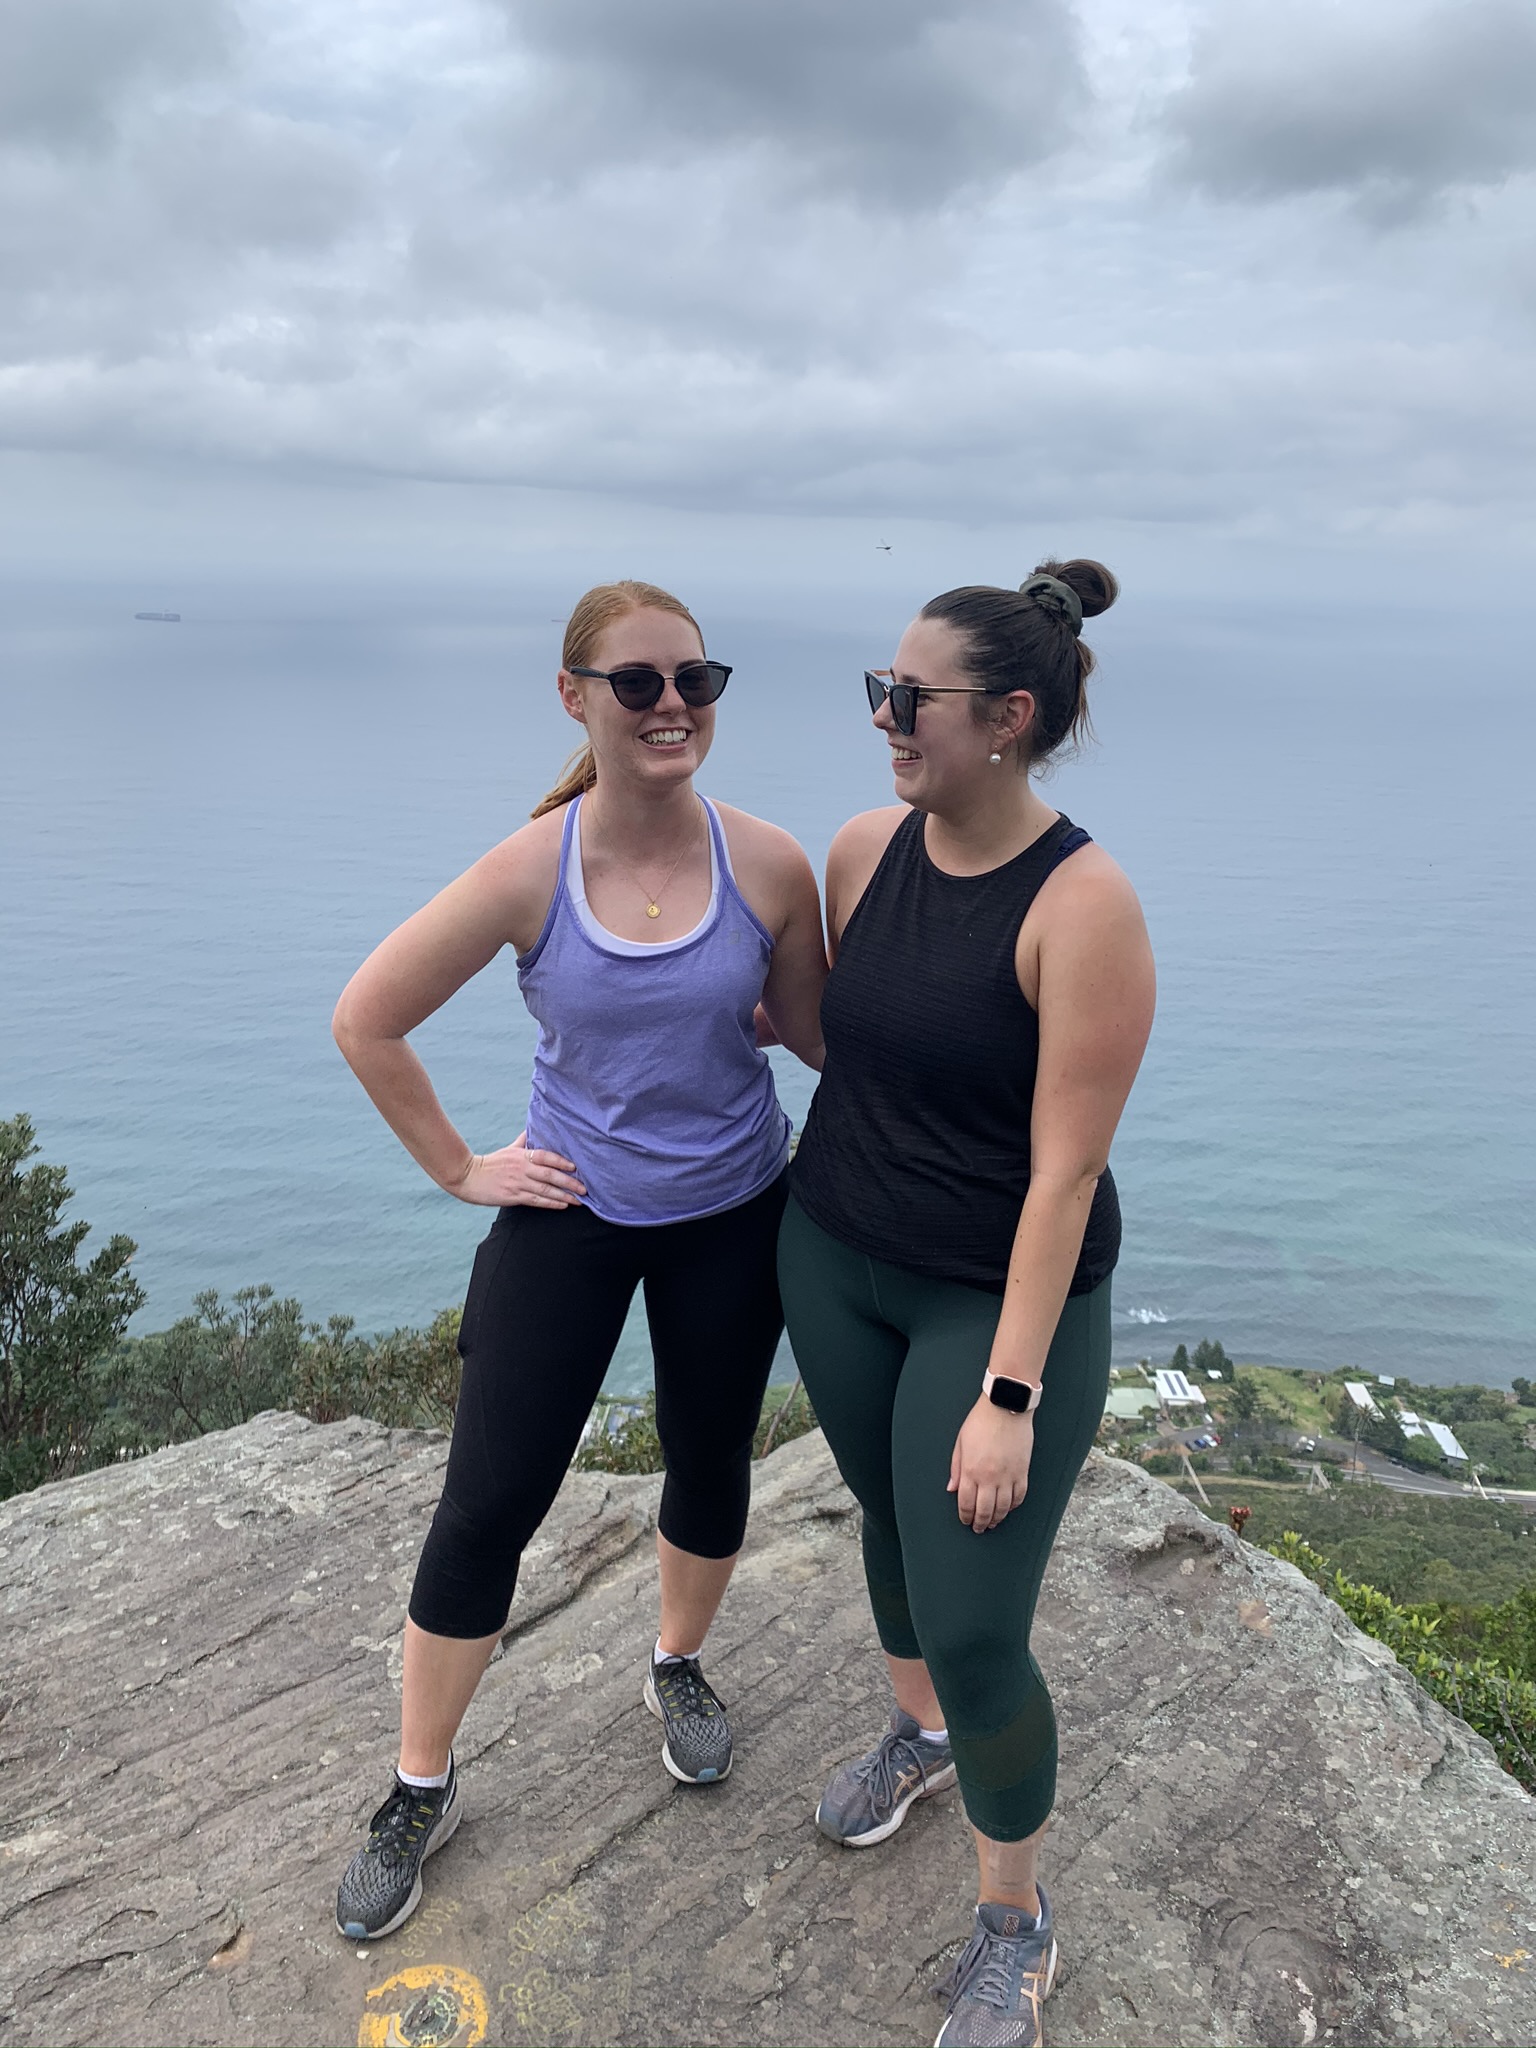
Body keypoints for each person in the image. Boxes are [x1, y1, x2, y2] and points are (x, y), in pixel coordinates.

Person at [331, 579, 826, 1942]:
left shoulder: (770, 863)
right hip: (572, 1213)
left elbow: (812, 1031)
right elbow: (368, 1018)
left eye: (695, 680)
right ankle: (419, 1784)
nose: (672, 705)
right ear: (575, 697)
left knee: (711, 1462)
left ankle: (677, 1664)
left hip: (735, 1210)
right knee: (489, 1502)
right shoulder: (528, 869)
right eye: (639, 682)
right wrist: (460, 1169)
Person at [778, 560, 1155, 2048]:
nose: (884, 717)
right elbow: (849, 1043)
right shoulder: (865, 849)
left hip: (992, 1304)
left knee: (979, 1622)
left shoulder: (1085, 905)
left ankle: (1015, 1921)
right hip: (834, 1256)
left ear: (1006, 720)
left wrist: (1009, 1394)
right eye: (881, 689)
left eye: (909, 698)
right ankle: (921, 1736)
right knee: (889, 1522)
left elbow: (1065, 1176)